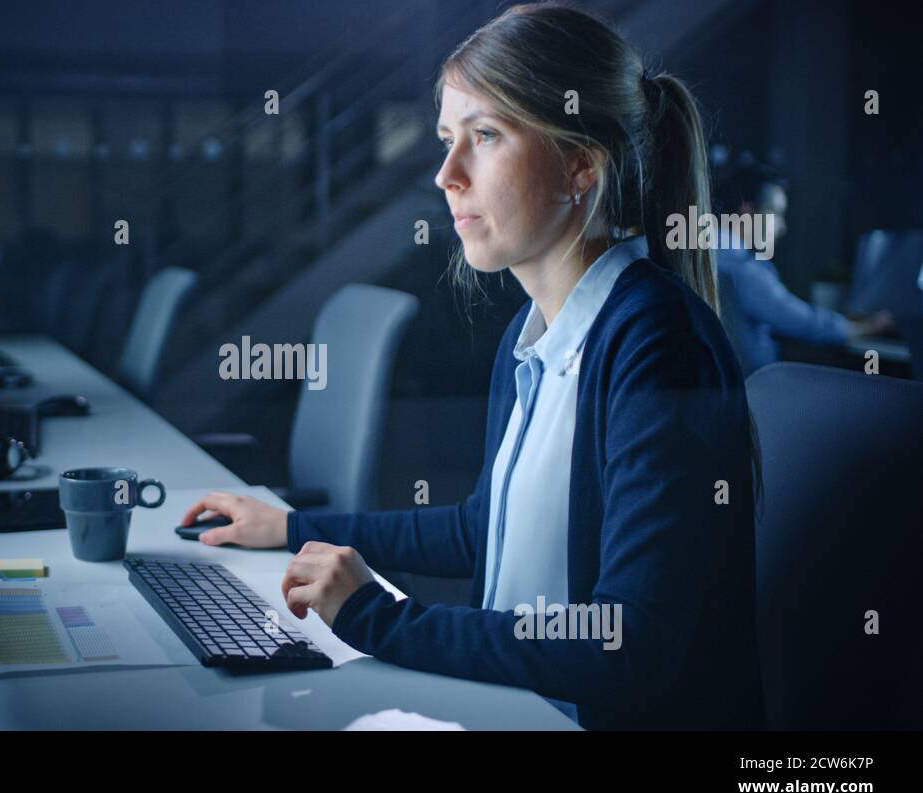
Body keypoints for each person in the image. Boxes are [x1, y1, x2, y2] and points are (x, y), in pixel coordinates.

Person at [182, 3, 765, 730]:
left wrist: (376, 617)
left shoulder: (656, 342)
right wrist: (292, 525)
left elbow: (626, 642)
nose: (446, 174)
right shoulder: (536, 334)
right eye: (447, 140)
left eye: (485, 136)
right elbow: (478, 528)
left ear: (581, 164)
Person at [712, 154, 893, 375]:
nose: (782, 227)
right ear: (748, 213)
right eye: (777, 214)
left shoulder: (708, 252)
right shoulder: (742, 268)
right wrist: (870, 327)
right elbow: (807, 324)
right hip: (758, 395)